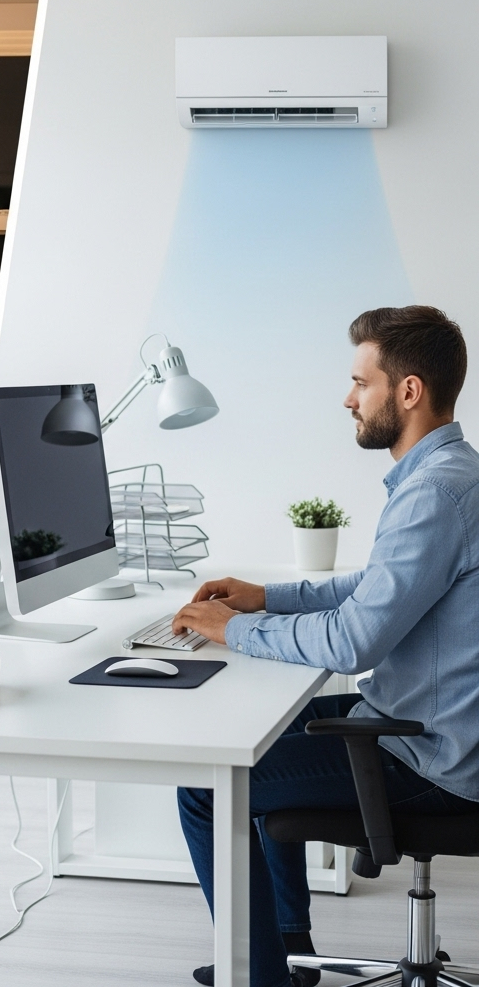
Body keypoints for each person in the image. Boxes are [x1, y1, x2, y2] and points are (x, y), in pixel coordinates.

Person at [170, 306, 479, 987]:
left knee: (205, 782)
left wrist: (232, 629)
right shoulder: (454, 474)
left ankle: (262, 976)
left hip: (429, 756)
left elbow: (354, 639)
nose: (348, 398)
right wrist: (266, 598)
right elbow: (375, 585)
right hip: (429, 727)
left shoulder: (435, 493)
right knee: (252, 742)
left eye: (359, 382)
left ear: (408, 391)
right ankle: (285, 950)